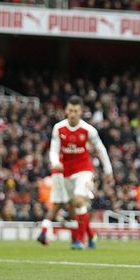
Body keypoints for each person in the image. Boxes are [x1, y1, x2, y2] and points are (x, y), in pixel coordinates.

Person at [38, 95, 114, 249]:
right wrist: (55, 162)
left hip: (84, 170)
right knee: (77, 207)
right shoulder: (59, 128)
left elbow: (101, 149)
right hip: (66, 172)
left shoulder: (88, 130)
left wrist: (108, 171)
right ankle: (92, 236)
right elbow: (53, 150)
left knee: (79, 201)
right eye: (70, 110)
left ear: (81, 112)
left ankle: (79, 240)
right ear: (66, 110)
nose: (73, 113)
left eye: (76, 111)